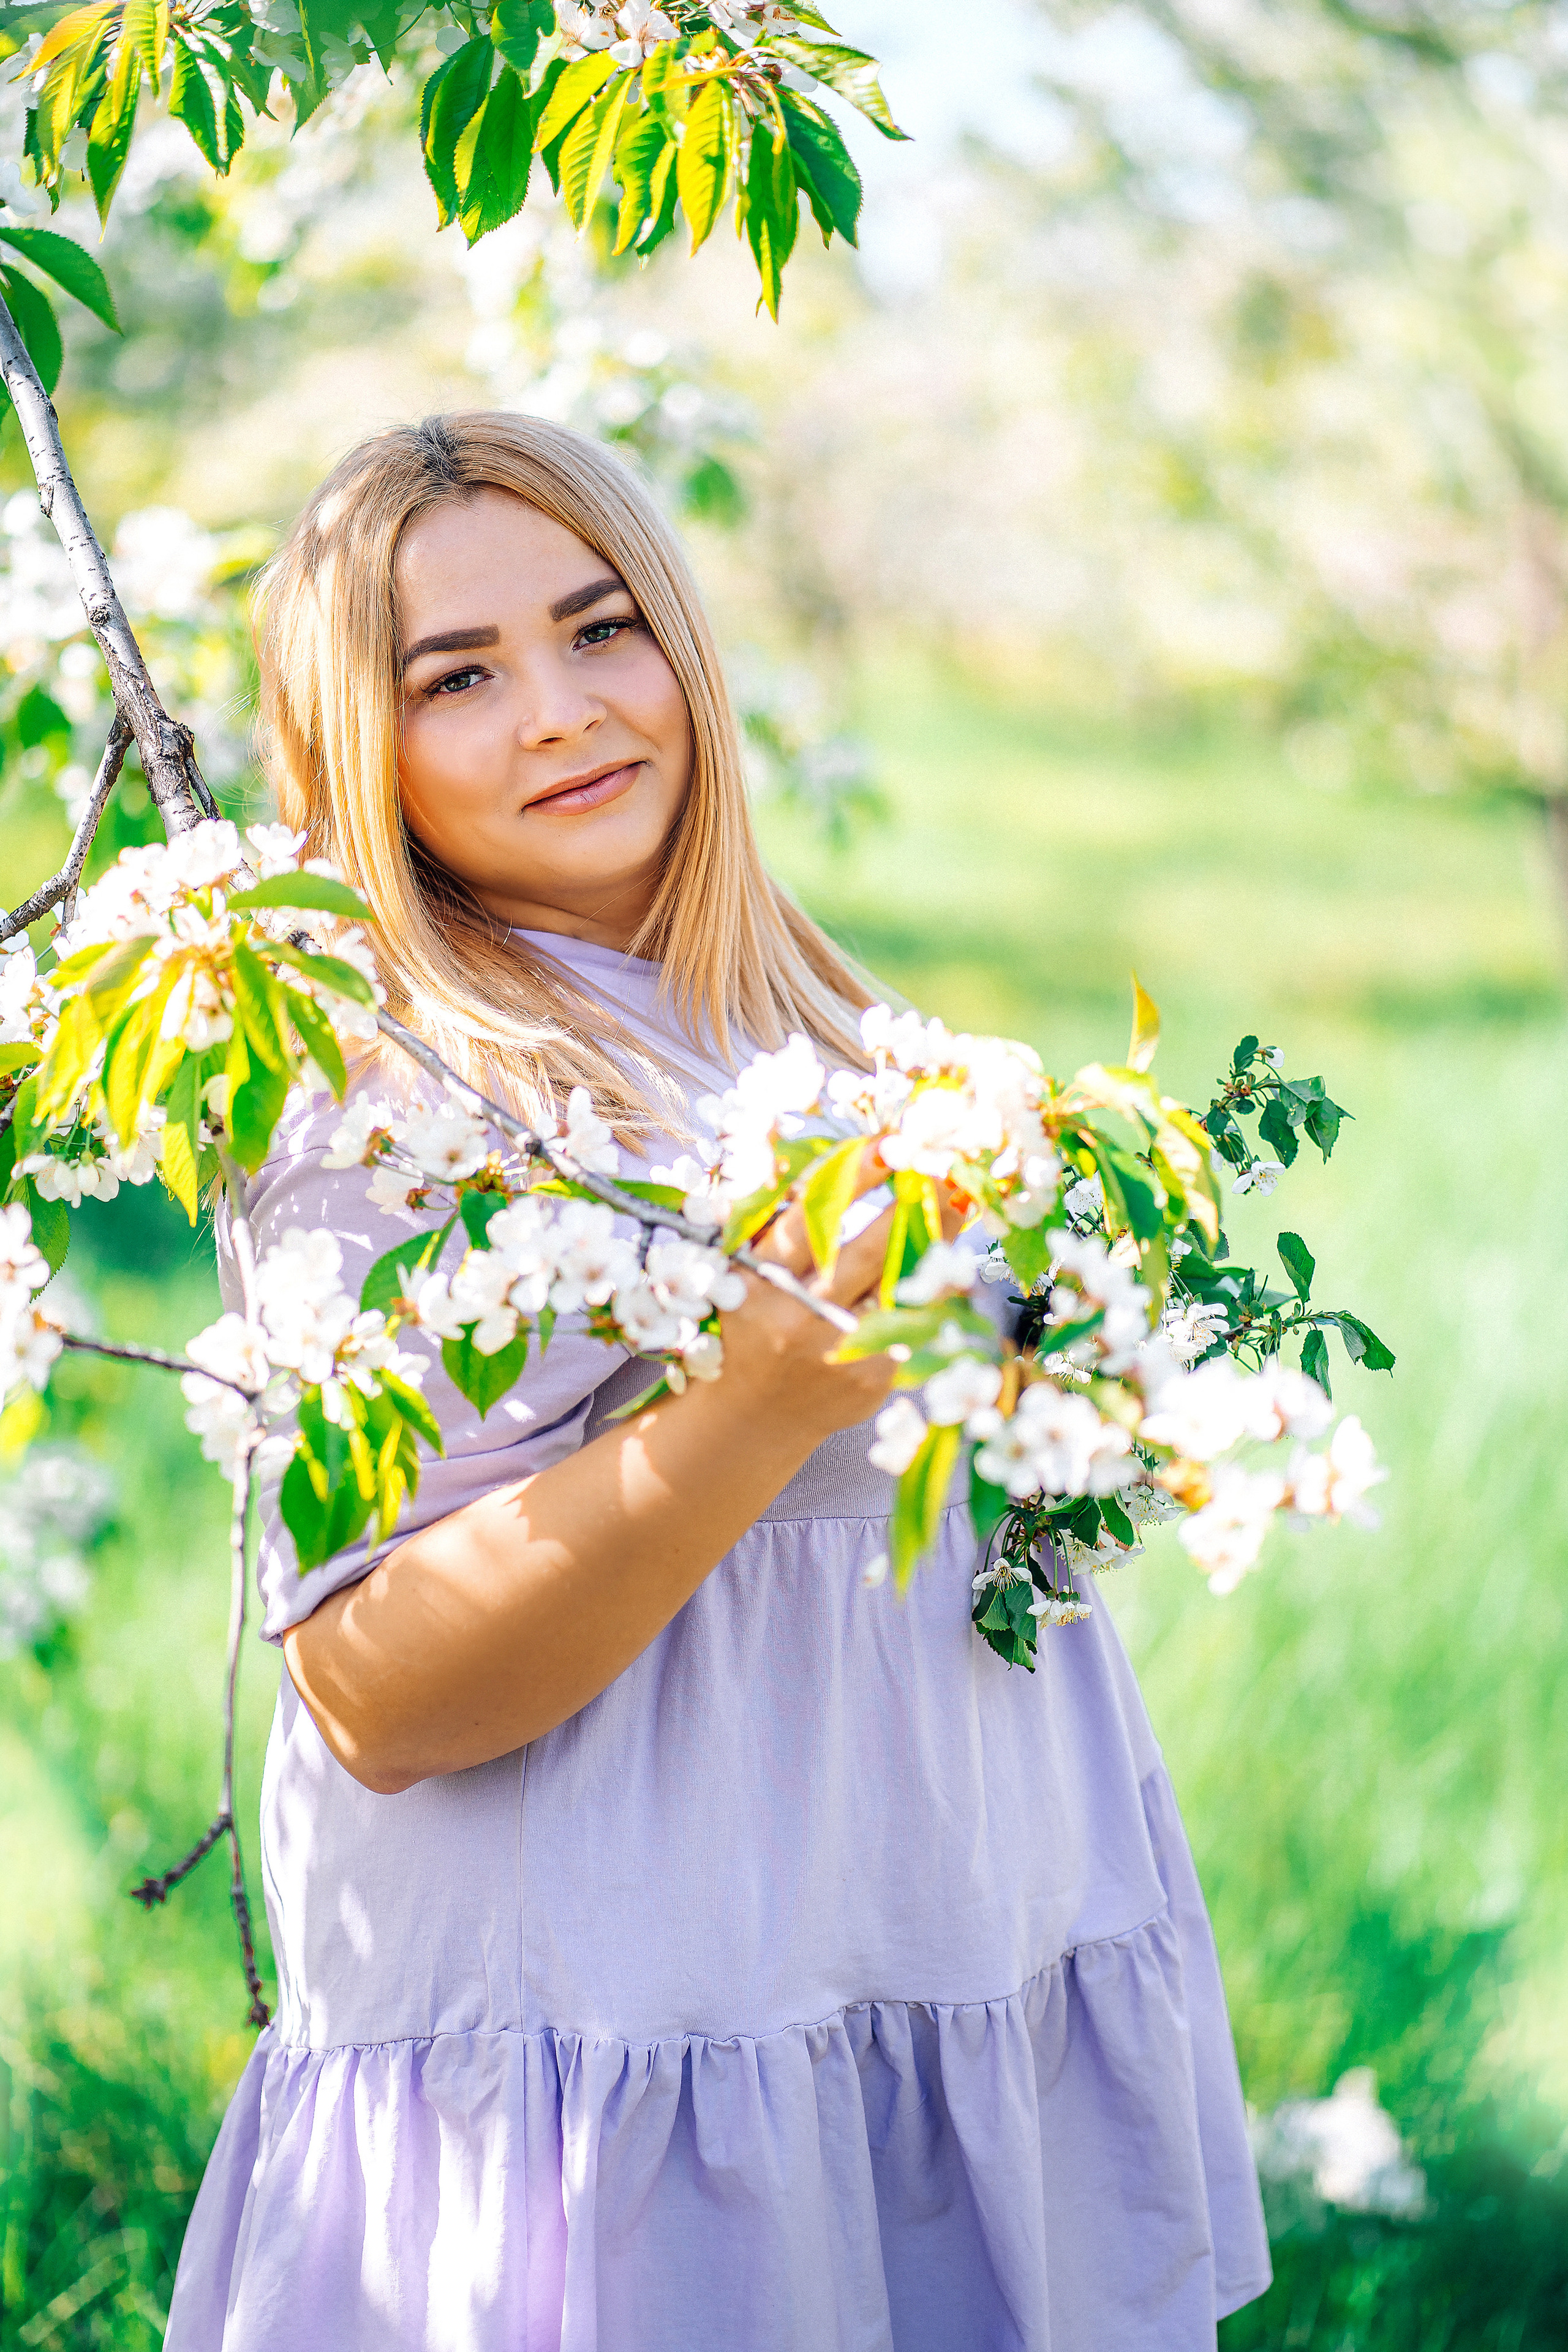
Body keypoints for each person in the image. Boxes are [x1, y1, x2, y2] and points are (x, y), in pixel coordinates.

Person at [164, 411, 1271, 2351]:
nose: (562, 713)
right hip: (641, 2046)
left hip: (928, 1965)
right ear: (356, 746)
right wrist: (755, 1403)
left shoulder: (808, 1025)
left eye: (603, 629)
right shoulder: (384, 1098)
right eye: (455, 677)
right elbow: (375, 1692)